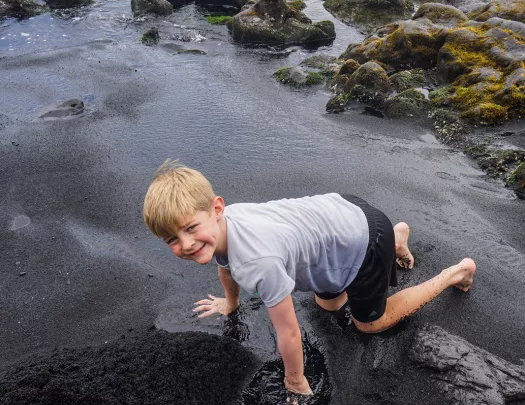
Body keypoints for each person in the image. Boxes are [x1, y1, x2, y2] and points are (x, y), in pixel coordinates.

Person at [143, 160, 476, 396]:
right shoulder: (223, 223)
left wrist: (296, 381)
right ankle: (396, 234)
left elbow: (288, 331)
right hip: (341, 212)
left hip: (364, 239)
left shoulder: (259, 262)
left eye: (190, 229)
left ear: (216, 208)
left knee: (369, 324)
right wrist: (230, 304)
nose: (185, 244)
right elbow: (224, 264)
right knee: (329, 304)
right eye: (171, 239)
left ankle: (453, 272)